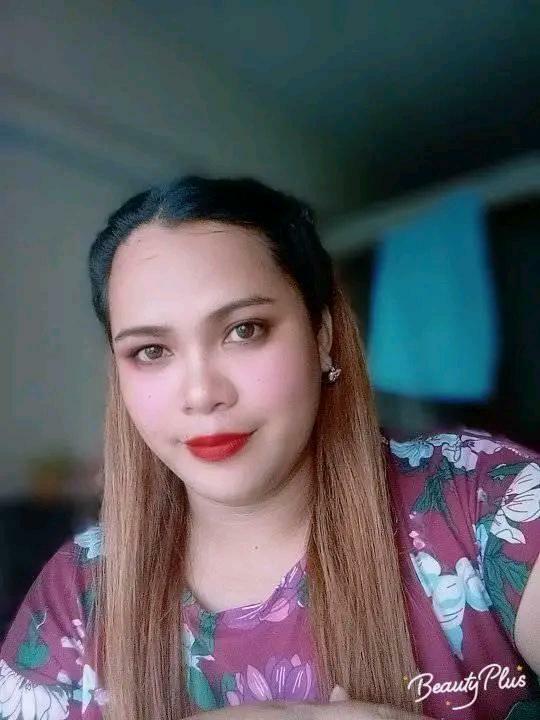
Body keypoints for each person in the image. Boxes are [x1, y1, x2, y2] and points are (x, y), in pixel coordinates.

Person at [1, 176, 539, 720]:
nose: (202, 394)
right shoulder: (77, 594)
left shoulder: (484, 501)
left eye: (245, 330)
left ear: (322, 334)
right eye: (151, 351)